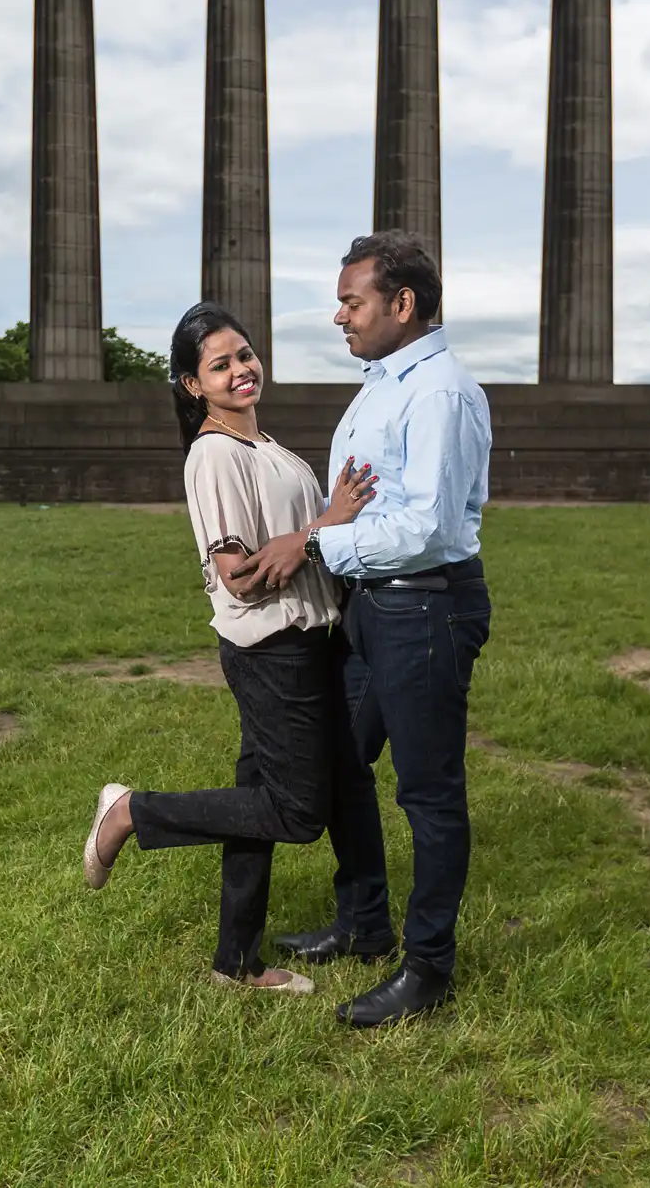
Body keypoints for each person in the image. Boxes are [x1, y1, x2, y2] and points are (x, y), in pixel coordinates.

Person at [232, 231, 493, 1028]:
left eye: (353, 301)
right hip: (371, 606)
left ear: (402, 304)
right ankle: (364, 920)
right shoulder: (384, 382)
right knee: (341, 762)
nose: (339, 315)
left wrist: (311, 540)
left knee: (428, 791)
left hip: (424, 605)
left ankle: (429, 968)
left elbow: (428, 525)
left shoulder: (440, 391)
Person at [80, 302, 377, 995]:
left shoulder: (266, 447)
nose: (241, 370)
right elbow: (240, 577)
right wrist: (324, 523)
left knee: (256, 798)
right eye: (220, 364)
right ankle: (130, 811)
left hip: (307, 642)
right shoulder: (213, 453)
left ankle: (235, 963)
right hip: (273, 650)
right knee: (297, 811)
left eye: (244, 354)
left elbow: (308, 547)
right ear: (193, 385)